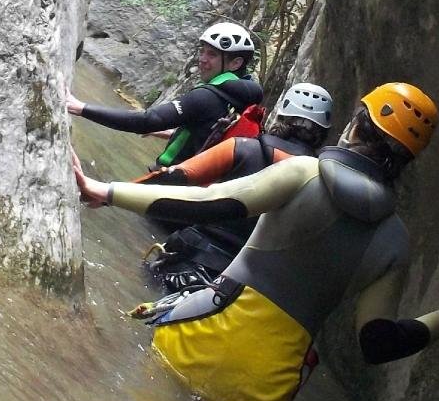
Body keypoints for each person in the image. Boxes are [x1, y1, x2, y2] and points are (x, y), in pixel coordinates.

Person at [73, 81, 439, 401]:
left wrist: (106, 191)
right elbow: (378, 343)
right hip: (266, 389)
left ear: (354, 126)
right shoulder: (395, 241)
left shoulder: (303, 174)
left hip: (201, 336)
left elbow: (207, 203)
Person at [137, 82, 334, 294]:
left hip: (188, 258)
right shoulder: (321, 182)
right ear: (323, 133)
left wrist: (114, 191)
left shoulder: (243, 148)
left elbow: (175, 177)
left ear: (280, 115)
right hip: (240, 283)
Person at [66, 21, 263, 170]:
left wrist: (80, 108)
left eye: (211, 54)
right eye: (202, 51)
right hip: (193, 196)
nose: (202, 59)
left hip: (169, 185)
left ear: (235, 63)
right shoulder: (242, 99)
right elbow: (206, 135)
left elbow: (148, 120)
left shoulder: (208, 96)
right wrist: (165, 131)